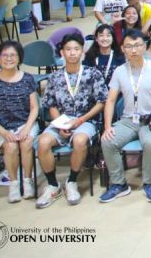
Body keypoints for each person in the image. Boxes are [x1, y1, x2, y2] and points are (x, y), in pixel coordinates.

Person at [99, 29, 151, 203]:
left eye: (138, 45)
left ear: (144, 47)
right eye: (129, 46)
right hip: (128, 120)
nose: (134, 50)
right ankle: (119, 184)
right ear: (123, 49)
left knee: (150, 143)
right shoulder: (119, 71)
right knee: (108, 141)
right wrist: (108, 126)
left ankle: (149, 183)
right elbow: (110, 101)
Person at [36, 33, 108, 208]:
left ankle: (72, 181)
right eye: (68, 49)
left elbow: (101, 102)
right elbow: (51, 104)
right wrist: (60, 124)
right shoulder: (55, 77)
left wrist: (81, 120)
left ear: (82, 51)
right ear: (62, 53)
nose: (72, 53)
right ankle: (53, 185)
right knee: (43, 142)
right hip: (61, 120)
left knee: (79, 140)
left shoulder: (93, 74)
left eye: (76, 49)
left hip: (87, 121)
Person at [0, 41, 40, 203]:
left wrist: (27, 128)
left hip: (25, 123)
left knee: (26, 142)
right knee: (10, 145)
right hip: (1, 128)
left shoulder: (27, 79)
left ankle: (27, 181)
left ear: (19, 58)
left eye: (13, 55)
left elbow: (34, 108)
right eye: (4, 55)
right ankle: (14, 183)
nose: (8, 58)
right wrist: (4, 132)